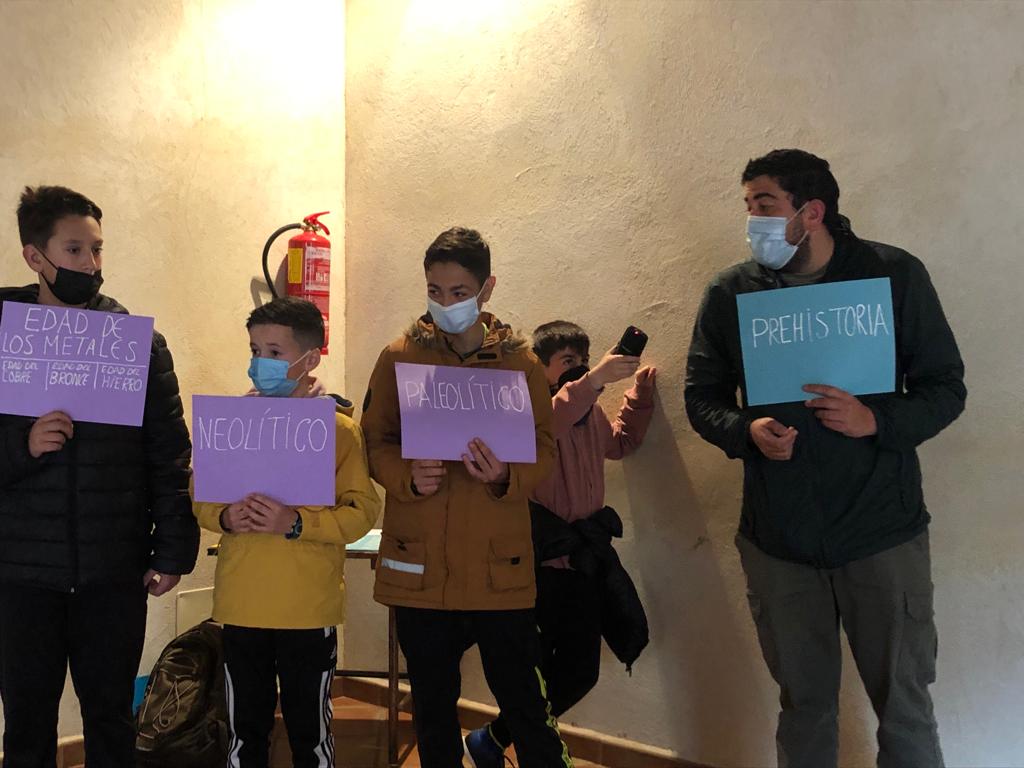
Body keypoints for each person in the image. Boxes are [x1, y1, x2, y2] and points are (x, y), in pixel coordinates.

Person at [684, 149, 966, 768]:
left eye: (765, 205)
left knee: (906, 710)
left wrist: (878, 421)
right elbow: (701, 399)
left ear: (810, 212)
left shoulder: (892, 276)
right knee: (804, 708)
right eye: (748, 206)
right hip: (779, 538)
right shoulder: (731, 293)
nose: (752, 221)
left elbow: (946, 388)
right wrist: (745, 430)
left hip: (882, 532)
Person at [0, 185, 199, 767]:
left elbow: (169, 454)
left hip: (112, 568)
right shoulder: (5, 341)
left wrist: (173, 549)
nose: (91, 264)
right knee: (27, 721)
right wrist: (21, 445)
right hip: (20, 572)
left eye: (97, 249)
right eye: (74, 250)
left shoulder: (137, 346)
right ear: (34, 256)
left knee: (111, 718)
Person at [361, 227, 572, 767]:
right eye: (435, 291)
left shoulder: (522, 365)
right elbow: (375, 440)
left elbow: (545, 450)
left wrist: (505, 475)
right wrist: (407, 476)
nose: (445, 303)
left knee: (525, 704)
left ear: (486, 288)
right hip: (420, 566)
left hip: (498, 568)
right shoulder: (399, 356)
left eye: (458, 292)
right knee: (432, 708)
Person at [193, 297, 381, 768]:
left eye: (275, 353)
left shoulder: (339, 431)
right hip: (241, 603)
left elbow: (361, 513)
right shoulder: (232, 424)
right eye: (255, 351)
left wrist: (297, 523)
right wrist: (225, 517)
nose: (261, 363)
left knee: (310, 732)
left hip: (307, 607)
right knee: (244, 730)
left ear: (310, 359)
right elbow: (200, 498)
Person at [465, 321, 656, 767]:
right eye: (568, 361)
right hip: (544, 566)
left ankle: (494, 738)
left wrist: (640, 396)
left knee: (577, 671)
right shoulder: (535, 416)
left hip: (584, 562)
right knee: (544, 670)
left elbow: (621, 443)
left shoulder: (589, 416)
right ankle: (527, 748)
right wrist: (596, 380)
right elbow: (556, 417)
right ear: (541, 368)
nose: (579, 368)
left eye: (583, 360)